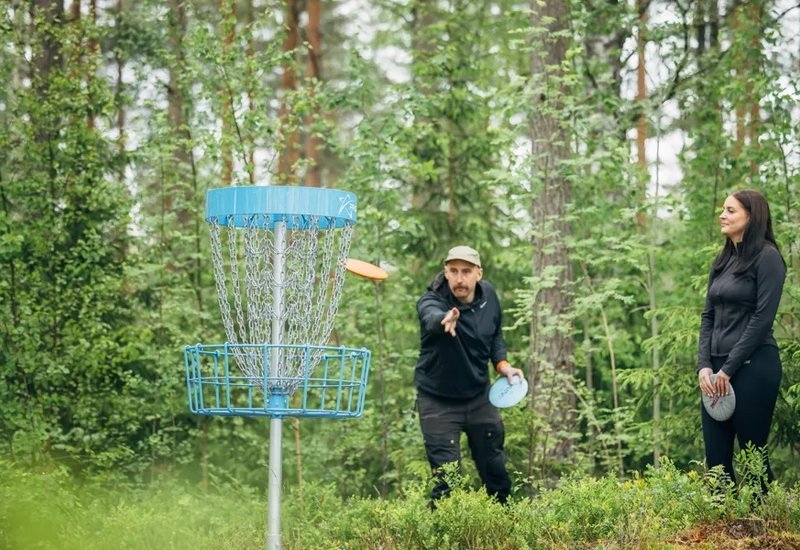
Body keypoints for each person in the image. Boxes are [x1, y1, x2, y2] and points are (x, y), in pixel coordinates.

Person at [414, 245, 524, 507]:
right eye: (453, 271)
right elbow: (431, 317)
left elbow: (495, 334)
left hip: (479, 397)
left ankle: (505, 533)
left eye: (466, 271)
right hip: (437, 401)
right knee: (447, 481)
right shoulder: (432, 301)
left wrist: (502, 365)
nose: (459, 278)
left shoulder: (490, 296)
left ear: (478, 273)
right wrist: (445, 320)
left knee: (496, 471)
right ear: (446, 272)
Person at [697, 189, 786, 490]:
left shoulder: (768, 258)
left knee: (752, 455)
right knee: (716, 460)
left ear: (752, 216)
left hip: (754, 365)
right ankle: (721, 532)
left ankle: (768, 528)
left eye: (731, 210)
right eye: (723, 209)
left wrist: (729, 369)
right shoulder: (721, 262)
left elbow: (762, 320)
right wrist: (705, 366)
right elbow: (708, 317)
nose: (723, 215)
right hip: (716, 371)